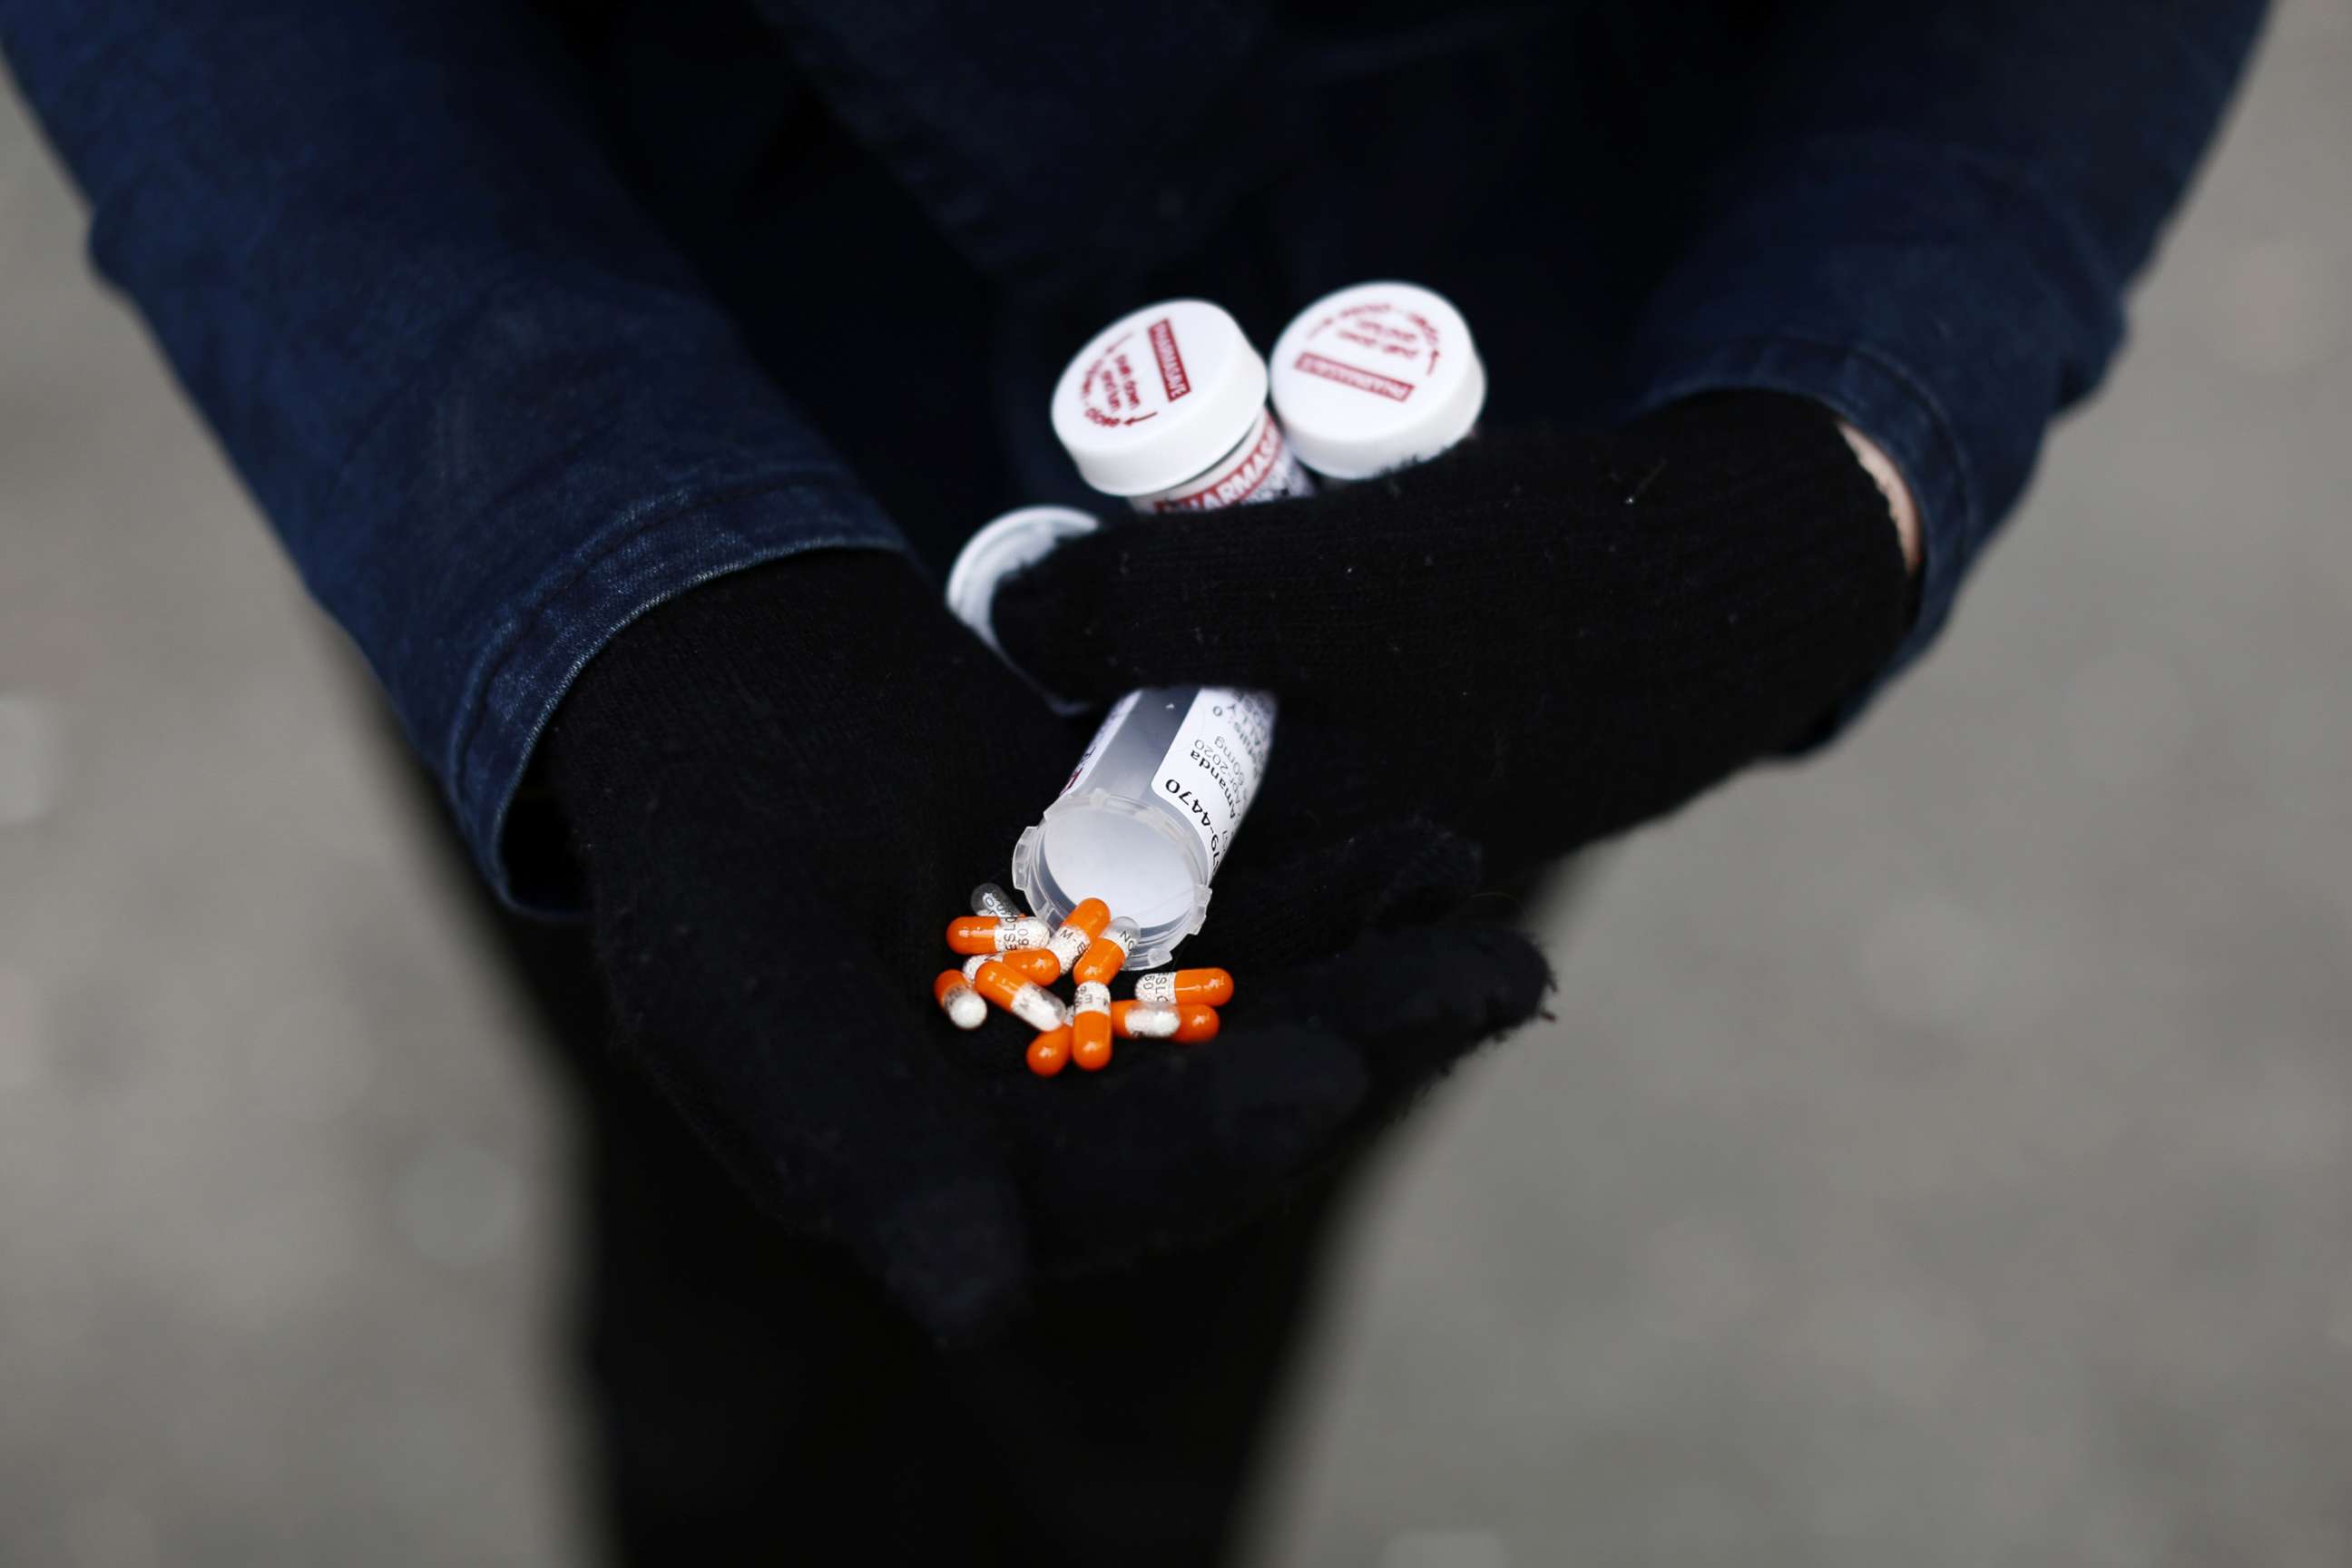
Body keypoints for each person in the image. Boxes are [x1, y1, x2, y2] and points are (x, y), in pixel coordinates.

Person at [2, 0, 2264, 1559]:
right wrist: (590, 560)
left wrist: (1854, 410)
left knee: (1185, 1283)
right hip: (627, 294)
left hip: (1513, 452)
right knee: (746, 1248)